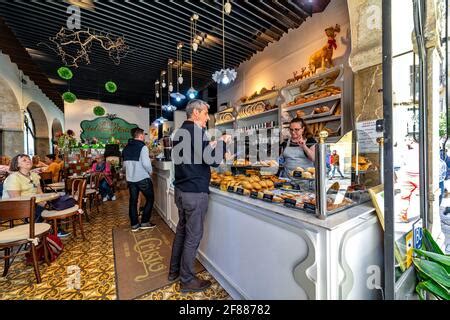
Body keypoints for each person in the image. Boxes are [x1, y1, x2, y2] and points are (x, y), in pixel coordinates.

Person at [168, 99, 232, 293]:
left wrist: (210, 143)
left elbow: (194, 155)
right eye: (205, 114)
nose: (207, 118)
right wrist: (221, 142)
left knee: (182, 232)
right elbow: (211, 160)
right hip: (194, 192)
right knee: (192, 237)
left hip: (181, 190)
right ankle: (187, 280)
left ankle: (174, 271)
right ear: (195, 112)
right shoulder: (196, 131)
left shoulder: (181, 131)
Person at [1, 154, 70, 237]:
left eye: (28, 159)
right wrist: (39, 203)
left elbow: (40, 192)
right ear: (17, 164)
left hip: (34, 202)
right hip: (15, 207)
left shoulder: (34, 175)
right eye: (24, 160)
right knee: (42, 209)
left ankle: (50, 229)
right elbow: (16, 199)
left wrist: (45, 201)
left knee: (54, 204)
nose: (28, 161)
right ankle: (43, 232)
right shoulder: (13, 178)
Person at [122, 127, 155, 231]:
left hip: (131, 179)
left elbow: (124, 166)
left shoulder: (126, 147)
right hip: (142, 178)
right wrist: (150, 171)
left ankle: (134, 224)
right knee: (150, 199)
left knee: (133, 201)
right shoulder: (143, 147)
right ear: (141, 136)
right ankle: (145, 222)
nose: (144, 137)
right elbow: (146, 163)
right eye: (144, 136)